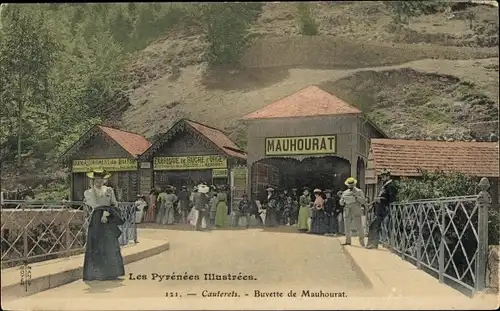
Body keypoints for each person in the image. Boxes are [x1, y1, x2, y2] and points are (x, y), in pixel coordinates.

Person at [82, 169, 125, 281]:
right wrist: (102, 213)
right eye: (96, 179)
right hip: (96, 218)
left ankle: (112, 272)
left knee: (110, 243)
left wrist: (107, 213)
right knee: (96, 244)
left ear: (104, 180)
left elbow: (114, 203)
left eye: (101, 179)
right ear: (93, 180)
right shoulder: (88, 192)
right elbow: (93, 205)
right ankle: (96, 273)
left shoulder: (109, 190)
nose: (98, 181)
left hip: (108, 216)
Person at [366, 169, 397, 249]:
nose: (382, 177)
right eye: (382, 176)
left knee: (374, 225)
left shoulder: (391, 186)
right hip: (379, 209)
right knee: (375, 225)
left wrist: (381, 199)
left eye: (383, 176)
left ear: (388, 176)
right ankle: (373, 244)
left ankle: (373, 244)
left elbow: (392, 199)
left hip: (384, 209)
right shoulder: (385, 185)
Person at [340, 177, 366, 246]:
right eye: (349, 184)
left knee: (359, 226)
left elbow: (363, 201)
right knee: (347, 226)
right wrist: (343, 200)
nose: (350, 185)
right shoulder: (345, 192)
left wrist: (357, 197)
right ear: (347, 185)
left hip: (356, 209)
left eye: (352, 184)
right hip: (347, 210)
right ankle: (348, 241)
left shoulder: (359, 191)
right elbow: (341, 203)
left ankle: (362, 242)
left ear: (354, 184)